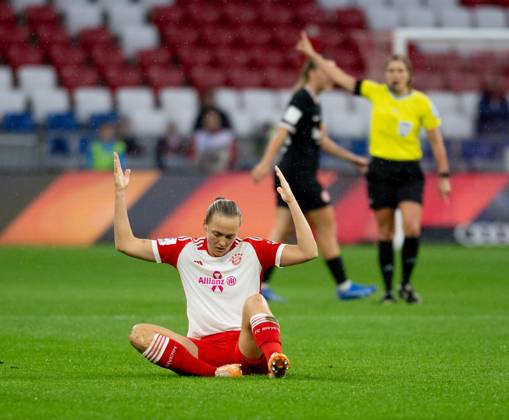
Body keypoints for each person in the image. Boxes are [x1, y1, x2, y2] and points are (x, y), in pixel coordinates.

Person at [113, 151, 317, 378]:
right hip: (202, 349)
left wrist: (291, 202)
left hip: (246, 346)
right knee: (139, 334)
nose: (222, 242)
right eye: (217, 234)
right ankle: (216, 373)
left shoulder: (253, 249)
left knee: (256, 301)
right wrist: (120, 193)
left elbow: (308, 251)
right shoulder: (184, 250)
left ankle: (274, 359)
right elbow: (126, 244)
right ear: (205, 226)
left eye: (230, 236)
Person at [296, 32, 451, 304]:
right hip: (380, 169)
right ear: (386, 74)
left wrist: (444, 175)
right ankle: (389, 290)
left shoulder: (421, 102)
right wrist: (311, 55)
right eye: (391, 70)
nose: (395, 74)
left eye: (400, 70)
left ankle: (406, 284)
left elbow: (437, 142)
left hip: (409, 171)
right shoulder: (375, 92)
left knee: (412, 228)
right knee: (385, 231)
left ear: (408, 75)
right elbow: (340, 75)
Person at [251, 58, 376, 302]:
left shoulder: (313, 102)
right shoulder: (302, 99)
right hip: (300, 175)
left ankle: (260, 284)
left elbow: (322, 140)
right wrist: (265, 163)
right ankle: (344, 285)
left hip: (292, 173)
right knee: (326, 225)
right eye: (327, 70)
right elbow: (282, 130)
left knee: (281, 230)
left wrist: (352, 158)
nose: (332, 75)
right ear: (312, 73)